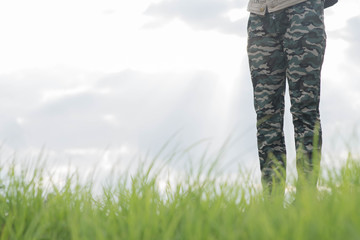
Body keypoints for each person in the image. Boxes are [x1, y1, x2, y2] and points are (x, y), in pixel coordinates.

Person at [246, 0, 337, 196]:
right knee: (266, 118)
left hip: (302, 11)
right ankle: (272, 205)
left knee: (305, 110)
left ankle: (305, 201)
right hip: (260, 15)